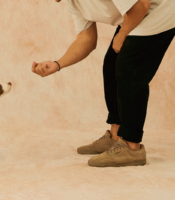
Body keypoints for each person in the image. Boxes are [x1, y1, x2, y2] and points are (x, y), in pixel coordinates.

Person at [32, 0, 175, 167]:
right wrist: (57, 64)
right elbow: (87, 39)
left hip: (162, 11)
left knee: (129, 68)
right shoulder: (72, 2)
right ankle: (116, 136)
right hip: (139, 15)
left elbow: (142, 4)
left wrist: (121, 35)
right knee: (111, 66)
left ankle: (131, 145)